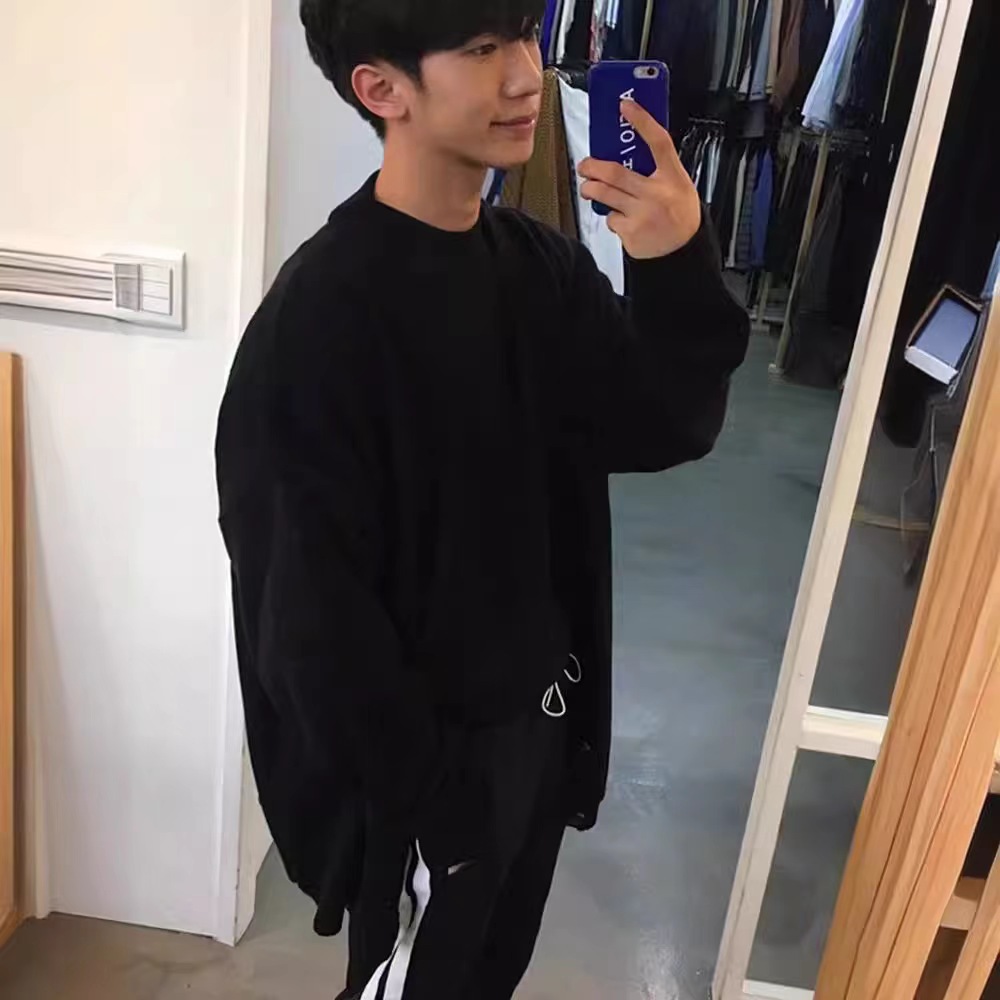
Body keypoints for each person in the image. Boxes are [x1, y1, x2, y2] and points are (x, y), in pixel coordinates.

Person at [215, 1, 749, 997]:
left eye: (526, 35)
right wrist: (431, 799)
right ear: (382, 88)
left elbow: (663, 423)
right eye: (480, 48)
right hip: (433, 781)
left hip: (537, 732)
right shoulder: (318, 322)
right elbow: (307, 619)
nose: (525, 76)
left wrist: (675, 258)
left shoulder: (536, 267)